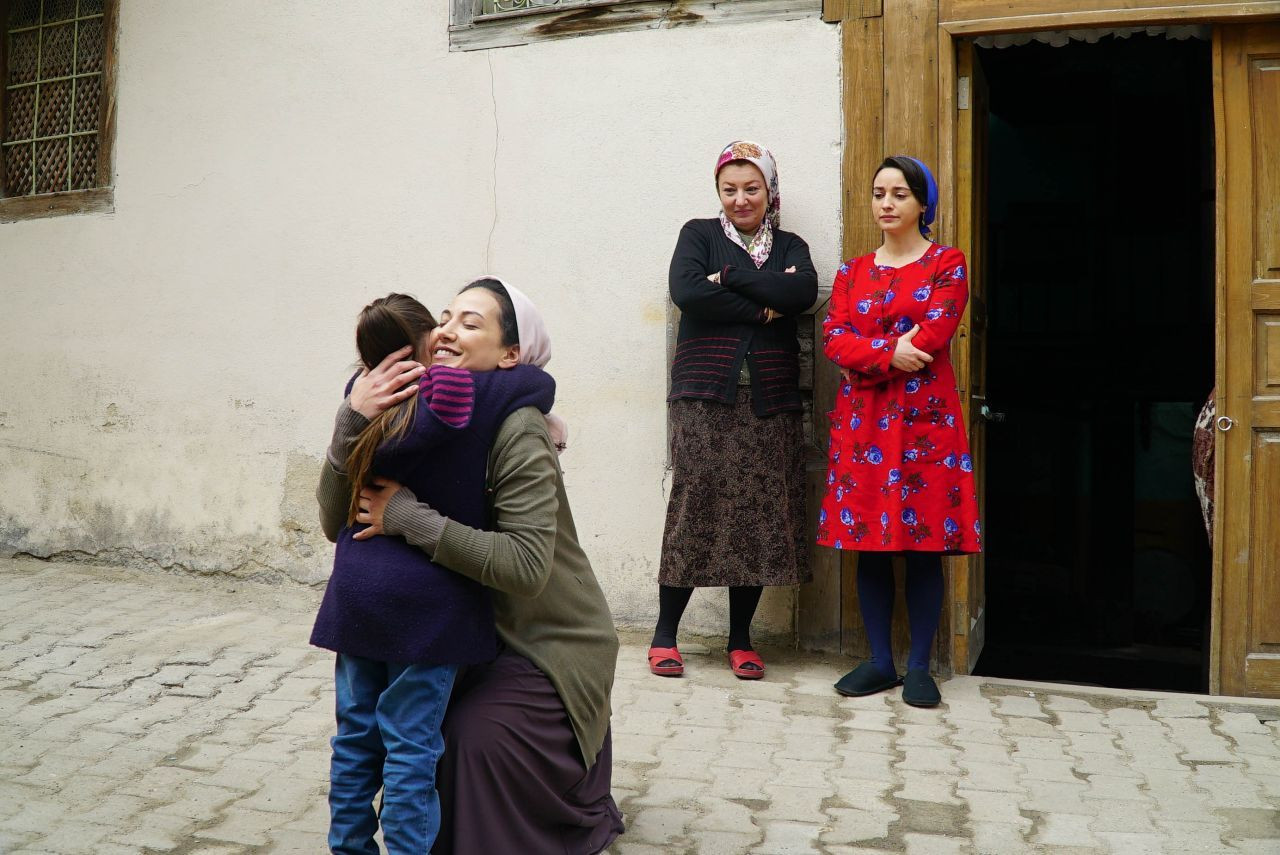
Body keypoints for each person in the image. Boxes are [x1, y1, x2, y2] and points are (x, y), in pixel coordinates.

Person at [316, 279, 623, 854]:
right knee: (378, 733)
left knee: (459, 743)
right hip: (450, 625)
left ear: (510, 355)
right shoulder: (401, 402)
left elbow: (528, 567)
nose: (449, 331)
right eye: (446, 317)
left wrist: (408, 516)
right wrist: (349, 419)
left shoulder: (516, 424)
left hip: (536, 634)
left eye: (472, 323)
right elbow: (337, 520)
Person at [817, 156, 981, 707]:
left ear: (922, 204)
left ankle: (918, 668)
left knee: (922, 546)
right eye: (878, 192)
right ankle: (879, 661)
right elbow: (835, 339)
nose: (886, 203)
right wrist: (891, 350)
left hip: (923, 425)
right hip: (864, 425)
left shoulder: (947, 264)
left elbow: (935, 332)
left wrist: (870, 353)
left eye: (900, 194)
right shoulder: (850, 271)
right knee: (869, 544)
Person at [653, 140, 819, 680]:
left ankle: (741, 641)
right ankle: (664, 635)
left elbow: (804, 294)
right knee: (693, 506)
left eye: (752, 188)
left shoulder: (791, 244)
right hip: (705, 394)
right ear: (718, 191)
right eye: (730, 189)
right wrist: (766, 302)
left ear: (770, 191)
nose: (740, 198)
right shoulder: (697, 234)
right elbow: (687, 293)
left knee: (758, 515)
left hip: (770, 401)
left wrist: (731, 278)